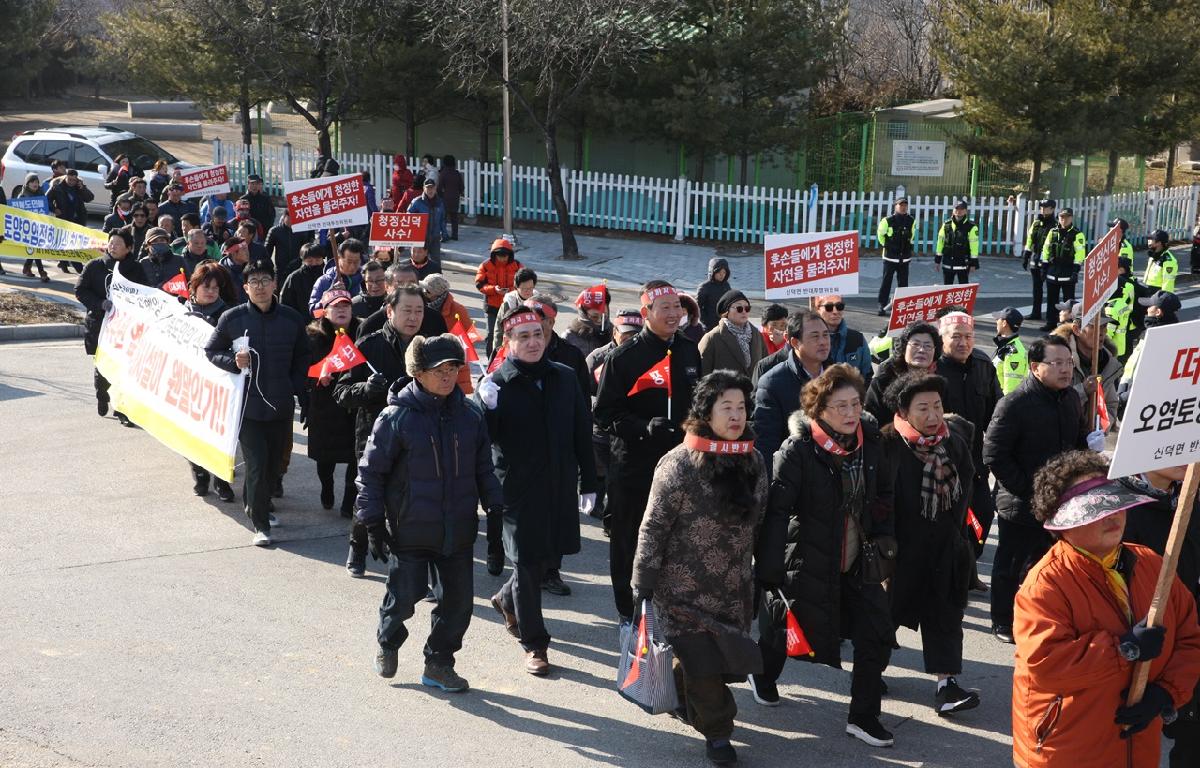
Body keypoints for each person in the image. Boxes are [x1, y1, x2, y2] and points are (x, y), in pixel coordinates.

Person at [1012, 450, 1200, 768]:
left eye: (1115, 504)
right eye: (1096, 511)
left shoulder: (1153, 564)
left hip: (1137, 744)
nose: (1113, 516)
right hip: (1068, 747)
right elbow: (1046, 664)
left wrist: (1166, 693)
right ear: (1062, 522)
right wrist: (1123, 649)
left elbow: (1189, 636)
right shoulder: (1046, 583)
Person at [632, 370, 777, 766]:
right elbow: (654, 525)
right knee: (703, 663)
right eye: (725, 407)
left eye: (742, 407)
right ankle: (718, 734)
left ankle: (682, 695)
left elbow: (760, 520)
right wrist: (642, 580)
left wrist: (764, 571)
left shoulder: (754, 461)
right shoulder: (678, 464)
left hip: (732, 585)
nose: (736, 416)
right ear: (705, 412)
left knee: (720, 658)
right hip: (680, 591)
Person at [750, 364, 897, 748]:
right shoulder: (798, 449)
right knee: (786, 629)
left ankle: (863, 716)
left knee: (877, 633)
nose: (850, 414)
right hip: (808, 557)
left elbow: (884, 495)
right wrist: (768, 571)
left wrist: (884, 538)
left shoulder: (870, 443)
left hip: (858, 560)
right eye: (839, 407)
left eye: (854, 404)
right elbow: (777, 511)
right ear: (819, 410)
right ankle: (763, 675)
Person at [359, 334, 503, 692]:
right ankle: (388, 642)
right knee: (404, 596)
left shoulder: (470, 415)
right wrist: (372, 523)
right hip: (410, 529)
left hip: (458, 529)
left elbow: (484, 469)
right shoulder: (396, 417)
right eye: (440, 370)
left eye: (454, 368)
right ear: (418, 373)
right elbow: (371, 473)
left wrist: (496, 514)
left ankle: (439, 663)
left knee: (458, 605)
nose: (448, 376)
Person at [477, 305, 598, 675]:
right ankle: (535, 644)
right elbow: (484, 439)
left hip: (559, 482)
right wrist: (485, 408)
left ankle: (505, 599)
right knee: (528, 563)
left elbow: (582, 430)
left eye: (537, 334)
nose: (532, 342)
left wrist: (590, 481)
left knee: (547, 556)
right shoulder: (497, 383)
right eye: (523, 336)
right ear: (509, 342)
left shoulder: (563, 377)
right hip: (517, 488)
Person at [982, 334, 1102, 644]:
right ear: (1036, 367)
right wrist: (1030, 490)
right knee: (1010, 565)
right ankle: (1002, 621)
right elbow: (994, 454)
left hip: (1061, 502)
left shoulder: (1072, 399)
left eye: (1068, 362)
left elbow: (1076, 442)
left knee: (1048, 565)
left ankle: (1042, 618)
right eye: (1057, 363)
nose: (1065, 369)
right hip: (1021, 503)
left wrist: (1089, 449)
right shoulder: (1014, 403)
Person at [595, 280, 701, 621]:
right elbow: (605, 413)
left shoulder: (688, 350)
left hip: (681, 464)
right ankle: (628, 610)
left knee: (675, 536)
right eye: (665, 308)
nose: (673, 314)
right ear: (647, 313)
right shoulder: (623, 358)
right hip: (634, 467)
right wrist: (644, 427)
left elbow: (698, 402)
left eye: (677, 307)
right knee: (630, 538)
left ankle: (668, 605)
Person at [880, 373, 979, 714]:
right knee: (883, 616)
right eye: (923, 407)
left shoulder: (953, 441)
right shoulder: (888, 444)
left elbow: (967, 479)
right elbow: (878, 499)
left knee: (945, 615)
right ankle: (870, 673)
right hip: (899, 551)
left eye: (937, 405)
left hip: (945, 546)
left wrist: (956, 532)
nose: (933, 415)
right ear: (903, 411)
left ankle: (947, 686)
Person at [205, 260, 309, 547]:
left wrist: (295, 386)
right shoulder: (232, 318)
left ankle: (255, 504)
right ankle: (261, 524)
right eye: (254, 282)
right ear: (245, 287)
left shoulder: (291, 319)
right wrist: (233, 362)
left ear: (275, 284)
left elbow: (304, 357)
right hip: (247, 408)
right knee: (256, 463)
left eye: (265, 280)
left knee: (274, 466)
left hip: (281, 405)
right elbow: (211, 350)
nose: (260, 287)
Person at [334, 285, 425, 577]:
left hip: (418, 436)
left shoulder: (427, 347)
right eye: (407, 310)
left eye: (419, 311)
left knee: (412, 504)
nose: (413, 317)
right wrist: (366, 389)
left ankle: (409, 565)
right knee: (371, 495)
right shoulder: (370, 345)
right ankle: (357, 546)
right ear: (390, 311)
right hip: (374, 434)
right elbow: (341, 391)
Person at [1121, 462, 1200, 768]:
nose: (1187, 454)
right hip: (1137, 645)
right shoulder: (1116, 504)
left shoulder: (1188, 495)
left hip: (1185, 640)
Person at [935, 312, 1001, 589]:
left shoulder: (984, 365)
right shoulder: (932, 368)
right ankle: (950, 577)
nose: (963, 342)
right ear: (942, 339)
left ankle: (968, 566)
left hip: (975, 464)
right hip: (940, 462)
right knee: (950, 523)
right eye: (956, 337)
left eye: (968, 336)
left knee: (982, 516)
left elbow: (995, 413)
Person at [74, 230, 149, 422]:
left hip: (126, 327)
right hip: (100, 324)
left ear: (129, 248)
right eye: (111, 243)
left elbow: (145, 293)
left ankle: (122, 409)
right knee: (103, 364)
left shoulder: (136, 269)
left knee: (124, 367)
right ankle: (101, 393)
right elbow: (80, 290)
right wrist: (100, 304)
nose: (113, 246)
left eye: (118, 243)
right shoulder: (95, 266)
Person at [584, 309, 642, 541]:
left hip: (630, 429)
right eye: (625, 334)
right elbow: (582, 390)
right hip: (601, 428)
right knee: (603, 474)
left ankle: (615, 519)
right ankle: (598, 507)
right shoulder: (598, 357)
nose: (629, 339)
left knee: (620, 481)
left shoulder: (645, 356)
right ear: (614, 333)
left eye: (635, 335)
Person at [306, 289, 361, 517]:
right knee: (325, 457)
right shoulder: (312, 336)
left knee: (355, 457)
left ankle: (349, 501)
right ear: (325, 311)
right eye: (335, 306)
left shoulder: (362, 331)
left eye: (345, 306)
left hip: (354, 404)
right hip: (324, 407)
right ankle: (327, 488)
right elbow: (302, 368)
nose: (341, 310)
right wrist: (316, 377)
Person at [184, 262, 237, 502]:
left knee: (221, 433)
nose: (211, 291)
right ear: (194, 287)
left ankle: (222, 480)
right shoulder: (180, 310)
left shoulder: (228, 315)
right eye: (206, 286)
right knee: (194, 431)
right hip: (189, 381)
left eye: (216, 287)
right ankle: (200, 474)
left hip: (219, 383)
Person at [751, 310, 830, 469]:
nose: (823, 341)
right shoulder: (772, 383)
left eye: (826, 335)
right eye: (815, 336)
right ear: (794, 343)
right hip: (795, 472)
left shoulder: (840, 375)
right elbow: (766, 444)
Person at [1051, 312, 1121, 431]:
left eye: (1104, 326)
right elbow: (1048, 404)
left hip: (1089, 443)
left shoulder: (1107, 362)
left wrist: (1098, 430)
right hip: (1058, 437)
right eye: (1094, 326)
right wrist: (1083, 391)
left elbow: (1110, 405)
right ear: (1077, 329)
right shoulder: (1056, 359)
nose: (1101, 332)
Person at [865, 322, 940, 425]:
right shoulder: (882, 382)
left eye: (928, 346)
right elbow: (870, 422)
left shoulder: (939, 382)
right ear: (904, 348)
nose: (922, 350)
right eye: (916, 344)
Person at [419, 273, 478, 395]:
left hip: (452, 362)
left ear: (436, 293)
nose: (423, 292)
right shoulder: (421, 307)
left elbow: (469, 336)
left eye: (427, 290)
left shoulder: (458, 310)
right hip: (429, 361)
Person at [357, 263, 447, 340]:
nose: (406, 290)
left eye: (412, 284)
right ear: (387, 287)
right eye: (399, 285)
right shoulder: (370, 326)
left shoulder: (435, 320)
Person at [699, 290, 767, 377]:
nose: (744, 312)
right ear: (726, 312)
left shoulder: (757, 335)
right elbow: (703, 373)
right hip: (723, 389)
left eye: (747, 308)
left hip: (754, 389)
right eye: (739, 308)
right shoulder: (712, 338)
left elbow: (765, 365)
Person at [1039, 208, 1086, 331]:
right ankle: (1051, 322)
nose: (1064, 220)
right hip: (1053, 271)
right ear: (1058, 218)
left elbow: (1080, 254)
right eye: (1062, 217)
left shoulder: (1077, 234)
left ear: (1071, 218)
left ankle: (1069, 324)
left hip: (1068, 272)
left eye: (1067, 217)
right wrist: (1044, 267)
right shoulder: (1052, 232)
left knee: (1069, 301)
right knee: (1051, 299)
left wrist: (1076, 271)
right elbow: (1046, 249)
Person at [476, 238, 522, 357]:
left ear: (509, 255)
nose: (502, 259)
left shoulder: (517, 265)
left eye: (505, 256)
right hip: (492, 306)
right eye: (499, 256)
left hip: (511, 306)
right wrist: (494, 289)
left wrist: (510, 291)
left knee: (512, 334)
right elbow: (479, 284)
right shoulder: (485, 266)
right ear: (494, 255)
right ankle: (491, 359)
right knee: (491, 335)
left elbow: (523, 283)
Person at [815, 294, 873, 385]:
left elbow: (867, 375)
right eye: (829, 307)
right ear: (818, 309)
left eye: (839, 306)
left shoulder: (857, 339)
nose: (835, 311)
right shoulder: (810, 340)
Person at [48, 169, 94, 274]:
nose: (71, 182)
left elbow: (90, 198)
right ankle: (68, 264)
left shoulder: (79, 187)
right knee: (65, 242)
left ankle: (71, 264)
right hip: (64, 218)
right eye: (70, 179)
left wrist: (82, 188)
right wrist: (54, 209)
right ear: (66, 177)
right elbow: (47, 198)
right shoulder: (57, 187)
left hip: (78, 219)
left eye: (74, 180)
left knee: (76, 243)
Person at [876, 196, 915, 314]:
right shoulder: (887, 220)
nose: (903, 207)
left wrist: (908, 248)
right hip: (890, 257)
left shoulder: (911, 220)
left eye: (905, 205)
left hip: (905, 258)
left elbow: (912, 235)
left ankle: (902, 306)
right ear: (895, 206)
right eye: (900, 205)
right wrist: (886, 245)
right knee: (886, 281)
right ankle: (881, 304)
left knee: (903, 283)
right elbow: (880, 235)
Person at [1021, 199, 1056, 322]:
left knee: (1051, 290)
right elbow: (1030, 239)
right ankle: (1035, 312)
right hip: (1035, 259)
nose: (1043, 209)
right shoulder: (1037, 223)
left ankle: (1051, 317)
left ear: (1052, 209)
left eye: (1046, 207)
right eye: (1042, 207)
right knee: (1036, 288)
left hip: (1049, 262)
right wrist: (1026, 255)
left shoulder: (1055, 225)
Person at [309, 238, 365, 315]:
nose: (352, 266)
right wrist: (328, 296)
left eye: (356, 262)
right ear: (338, 258)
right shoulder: (324, 281)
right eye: (349, 262)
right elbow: (315, 314)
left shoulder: (366, 280)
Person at [15, 173, 50, 282]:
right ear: (27, 183)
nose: (35, 184)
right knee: (35, 247)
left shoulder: (41, 194)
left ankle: (27, 267)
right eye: (32, 182)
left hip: (39, 226)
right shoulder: (22, 196)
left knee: (35, 247)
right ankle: (42, 271)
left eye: (36, 182)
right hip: (27, 227)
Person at [935, 201, 979, 285]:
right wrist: (937, 261)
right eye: (957, 209)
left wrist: (973, 264)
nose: (959, 211)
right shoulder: (946, 225)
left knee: (963, 290)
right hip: (947, 263)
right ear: (953, 210)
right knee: (947, 290)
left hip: (963, 264)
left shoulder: (971, 227)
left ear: (966, 211)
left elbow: (974, 247)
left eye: (962, 209)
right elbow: (940, 243)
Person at [564, 285, 613, 359]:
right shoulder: (570, 337)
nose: (600, 320)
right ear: (583, 314)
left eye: (604, 316)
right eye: (594, 317)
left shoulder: (615, 332)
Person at [407, 178, 446, 267]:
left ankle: (437, 277)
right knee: (418, 259)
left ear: (435, 188)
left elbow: (442, 219)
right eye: (428, 188)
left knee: (436, 260)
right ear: (424, 188)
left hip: (435, 236)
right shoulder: (417, 201)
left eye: (432, 188)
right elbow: (408, 215)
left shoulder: (440, 202)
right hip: (420, 236)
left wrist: (444, 232)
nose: (430, 190)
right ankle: (416, 276)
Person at [990, 307, 1028, 395]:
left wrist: (1002, 406)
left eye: (998, 319)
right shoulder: (1005, 346)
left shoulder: (1013, 351)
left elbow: (1011, 388)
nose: (996, 322)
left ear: (1004, 323)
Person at [1105, 255, 1137, 358]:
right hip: (1126, 323)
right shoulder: (1130, 283)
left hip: (1120, 328)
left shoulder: (1125, 285)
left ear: (1121, 269)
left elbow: (1108, 333)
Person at [696, 258, 731, 331]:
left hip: (724, 323)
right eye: (719, 273)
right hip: (709, 325)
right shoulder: (704, 287)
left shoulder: (726, 286)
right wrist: (705, 321)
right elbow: (698, 306)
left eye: (724, 273)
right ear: (713, 272)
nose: (722, 275)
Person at [1144, 228, 1179, 293]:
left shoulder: (1168, 260)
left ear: (1159, 243)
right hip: (1149, 289)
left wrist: (1162, 299)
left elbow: (1168, 283)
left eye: (1151, 239)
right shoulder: (1153, 255)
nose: (1149, 241)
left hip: (1158, 292)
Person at [439, 155, 463, 241]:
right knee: (454, 218)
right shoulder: (457, 173)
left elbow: (439, 187)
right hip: (455, 198)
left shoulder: (443, 173)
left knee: (443, 218)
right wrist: (459, 193)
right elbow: (461, 187)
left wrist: (440, 195)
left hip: (445, 198)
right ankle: (455, 235)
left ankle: (444, 235)